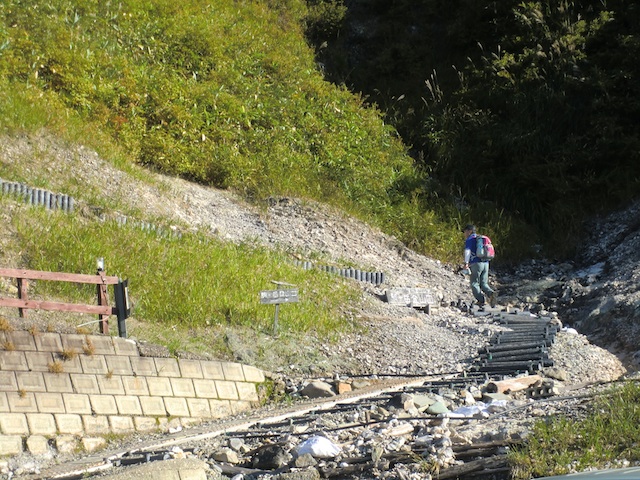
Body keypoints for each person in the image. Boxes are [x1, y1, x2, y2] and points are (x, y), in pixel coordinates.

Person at [462, 224, 496, 310]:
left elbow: (467, 252)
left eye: (465, 231)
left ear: (469, 231)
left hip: (476, 264)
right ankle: (491, 294)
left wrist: (466, 263)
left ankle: (481, 300)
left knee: (474, 283)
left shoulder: (470, 239)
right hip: (486, 263)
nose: (464, 233)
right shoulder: (481, 238)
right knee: (484, 283)